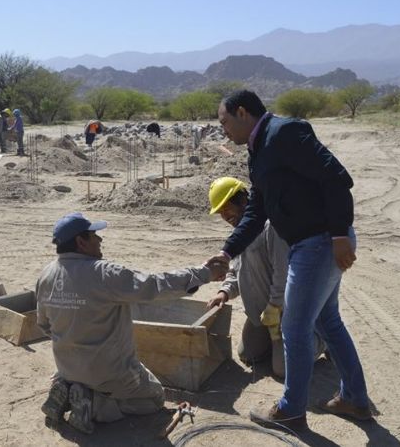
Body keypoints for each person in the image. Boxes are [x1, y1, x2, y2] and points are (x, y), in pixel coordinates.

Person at [208, 89, 370, 433]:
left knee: (294, 328)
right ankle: (354, 398)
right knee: (327, 321)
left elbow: (336, 177)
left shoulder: (284, 133)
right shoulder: (258, 149)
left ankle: (291, 411)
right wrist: (228, 250)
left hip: (320, 242)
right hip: (310, 243)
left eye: (224, 122)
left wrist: (340, 234)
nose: (223, 130)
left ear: (241, 112)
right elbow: (256, 209)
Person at [36, 212, 227, 434]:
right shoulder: (103, 273)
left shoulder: (46, 275)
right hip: (110, 373)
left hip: (67, 368)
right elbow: (156, 285)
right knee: (154, 398)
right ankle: (94, 404)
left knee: (87, 377)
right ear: (80, 242)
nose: (100, 240)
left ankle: (69, 388)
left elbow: (44, 325)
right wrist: (203, 273)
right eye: (94, 235)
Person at [206, 177, 325, 378]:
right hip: (260, 315)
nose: (225, 216)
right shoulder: (240, 234)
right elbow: (236, 271)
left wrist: (275, 307)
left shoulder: (271, 227)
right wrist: (224, 292)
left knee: (282, 370)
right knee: (247, 354)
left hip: (281, 313)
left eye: (227, 209)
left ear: (243, 200)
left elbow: (283, 273)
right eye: (220, 212)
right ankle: (279, 345)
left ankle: (321, 338)